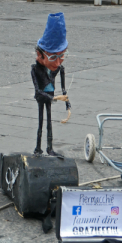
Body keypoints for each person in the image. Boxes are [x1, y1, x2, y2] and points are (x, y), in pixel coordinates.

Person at [31, 12, 71, 156]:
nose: (58, 62)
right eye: (54, 57)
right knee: (41, 122)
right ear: (40, 54)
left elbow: (63, 86)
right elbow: (37, 90)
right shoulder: (35, 69)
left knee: (49, 123)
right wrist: (54, 98)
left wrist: (66, 101)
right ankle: (38, 147)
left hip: (51, 95)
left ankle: (49, 148)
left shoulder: (58, 68)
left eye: (62, 56)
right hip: (43, 97)